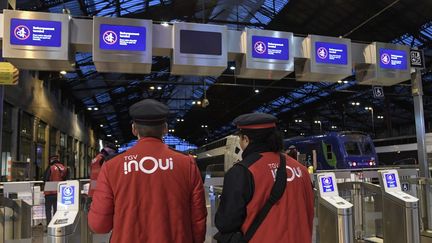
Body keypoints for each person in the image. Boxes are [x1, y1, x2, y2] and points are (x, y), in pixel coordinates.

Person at [88, 99, 207, 243]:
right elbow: (198, 218)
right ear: (165, 129)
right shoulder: (186, 163)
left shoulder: (112, 165)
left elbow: (99, 225)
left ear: (134, 129)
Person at [215, 113, 314, 243]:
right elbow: (309, 211)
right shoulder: (301, 169)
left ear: (245, 139)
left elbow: (226, 222)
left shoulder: (243, 171)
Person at [43, 155, 68, 225]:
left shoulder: (51, 168)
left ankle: (49, 224)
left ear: (51, 160)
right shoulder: (64, 168)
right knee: (57, 209)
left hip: (49, 191)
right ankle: (56, 224)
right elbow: (66, 180)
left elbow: (45, 179)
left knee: (48, 209)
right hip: (59, 192)